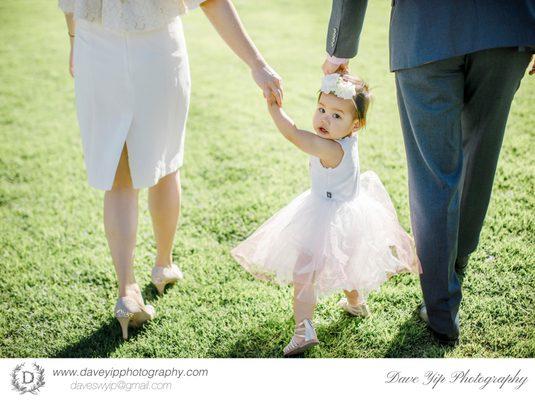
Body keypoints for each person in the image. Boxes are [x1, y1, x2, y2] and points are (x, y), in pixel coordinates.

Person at [58, 0, 283, 340]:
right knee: (165, 164)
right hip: (158, 48)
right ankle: (163, 264)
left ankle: (127, 292)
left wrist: (75, 40)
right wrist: (258, 64)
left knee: (119, 181)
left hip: (95, 46)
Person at [322, 0, 535, 345]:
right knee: (480, 160)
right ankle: (454, 275)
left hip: (424, 29)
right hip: (506, 26)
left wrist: (339, 47)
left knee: (434, 174)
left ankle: (442, 309)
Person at [231, 73, 421, 356]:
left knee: (304, 273)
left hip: (325, 216)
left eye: (335, 116)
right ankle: (356, 303)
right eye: (321, 110)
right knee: (349, 263)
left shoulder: (329, 147)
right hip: (353, 214)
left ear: (355, 124)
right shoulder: (348, 138)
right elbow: (344, 104)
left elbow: (294, 135)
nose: (324, 119)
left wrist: (274, 108)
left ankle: (303, 330)